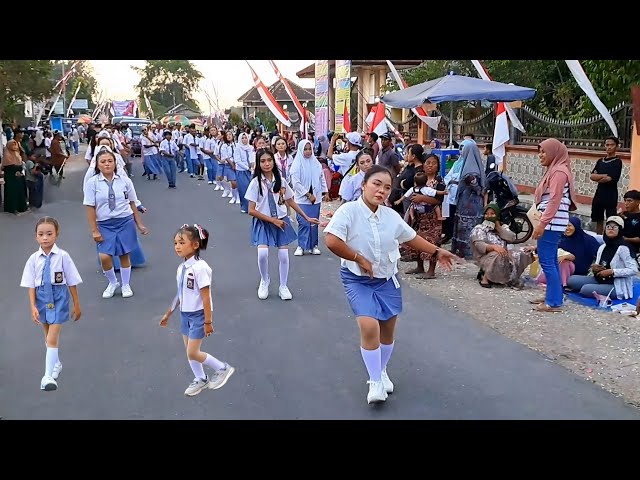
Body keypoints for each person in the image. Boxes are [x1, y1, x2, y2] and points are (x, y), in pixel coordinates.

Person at [324, 165, 458, 405]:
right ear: (363, 184)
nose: (381, 191)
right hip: (358, 279)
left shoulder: (390, 216)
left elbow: (411, 237)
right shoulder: (348, 211)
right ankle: (374, 381)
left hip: (387, 279)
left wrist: (437, 251)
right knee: (369, 326)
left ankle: (382, 370)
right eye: (376, 184)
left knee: (387, 330)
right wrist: (359, 258)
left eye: (387, 187)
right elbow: (332, 240)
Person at [159, 224, 235, 397]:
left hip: (198, 315)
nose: (177, 246)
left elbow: (206, 297)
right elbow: (180, 293)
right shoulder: (181, 268)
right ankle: (201, 378)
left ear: (195, 245)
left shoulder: (201, 268)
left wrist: (208, 321)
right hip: (184, 314)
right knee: (189, 351)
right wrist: (168, 313)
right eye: (175, 243)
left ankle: (223, 368)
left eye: (181, 242)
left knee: (192, 352)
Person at [244, 148, 320, 301]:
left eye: (269, 160)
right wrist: (272, 220)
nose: (267, 164)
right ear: (258, 164)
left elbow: (290, 200)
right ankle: (264, 281)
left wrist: (306, 217)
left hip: (281, 221)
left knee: (284, 255)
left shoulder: (281, 182)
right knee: (262, 254)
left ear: (273, 161)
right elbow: (251, 210)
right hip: (264, 221)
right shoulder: (255, 183)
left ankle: (283, 286)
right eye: (263, 161)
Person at [20, 217, 82, 391]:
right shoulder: (33, 259)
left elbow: (71, 281)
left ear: (56, 234)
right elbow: (30, 285)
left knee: (53, 336)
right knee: (47, 335)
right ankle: (56, 363)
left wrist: (76, 304)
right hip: (41, 296)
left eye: (49, 234)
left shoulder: (63, 256)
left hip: (59, 296)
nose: (45, 238)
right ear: (36, 237)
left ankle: (47, 377)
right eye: (41, 234)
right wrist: (32, 306)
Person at [83, 149, 149, 299]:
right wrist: (94, 230)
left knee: (124, 254)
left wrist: (139, 224)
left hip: (124, 220)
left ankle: (125, 284)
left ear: (115, 163)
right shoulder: (92, 183)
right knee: (104, 256)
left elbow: (132, 202)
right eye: (103, 162)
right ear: (97, 165)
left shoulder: (125, 181)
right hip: (105, 224)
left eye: (110, 161)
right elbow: (90, 207)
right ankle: (113, 282)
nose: (107, 164)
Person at [530, 138, 577, 313]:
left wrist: (542, 224)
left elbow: (554, 200)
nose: (541, 155)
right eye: (539, 151)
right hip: (552, 222)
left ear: (554, 152)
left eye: (544, 151)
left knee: (547, 261)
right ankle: (553, 295)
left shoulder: (558, 172)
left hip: (551, 223)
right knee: (550, 261)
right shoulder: (555, 170)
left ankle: (554, 302)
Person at [566, 216, 638, 300]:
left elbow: (633, 269)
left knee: (585, 289)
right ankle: (597, 288)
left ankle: (597, 289)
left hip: (616, 284)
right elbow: (597, 264)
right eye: (608, 227)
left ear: (620, 230)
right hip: (600, 279)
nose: (611, 229)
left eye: (614, 227)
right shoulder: (603, 247)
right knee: (571, 280)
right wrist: (594, 268)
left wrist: (612, 272)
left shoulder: (623, 248)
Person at [470, 204, 535, 288]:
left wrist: (499, 228)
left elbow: (512, 238)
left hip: (504, 253)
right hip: (486, 256)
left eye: (492, 214)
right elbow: (479, 245)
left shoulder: (503, 227)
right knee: (498, 253)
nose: (489, 216)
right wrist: (493, 247)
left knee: (524, 252)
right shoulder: (479, 228)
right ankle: (485, 277)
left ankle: (512, 278)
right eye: (487, 214)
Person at [289, 139, 330, 256]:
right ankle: (301, 246)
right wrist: (307, 194)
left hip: (315, 199)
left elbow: (321, 178)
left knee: (314, 222)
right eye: (305, 149)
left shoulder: (316, 163)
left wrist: (325, 191)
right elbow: (296, 183)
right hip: (302, 199)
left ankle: (313, 245)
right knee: (303, 222)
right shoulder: (297, 165)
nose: (308, 152)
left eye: (309, 149)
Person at [590, 136, 622, 235]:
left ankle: (609, 237)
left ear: (617, 146)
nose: (609, 147)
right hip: (599, 193)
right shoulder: (600, 161)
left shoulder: (617, 162)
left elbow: (610, 179)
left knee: (610, 218)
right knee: (598, 218)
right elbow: (592, 176)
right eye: (607, 145)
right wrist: (603, 176)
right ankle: (599, 237)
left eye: (612, 145)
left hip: (611, 194)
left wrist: (598, 177)